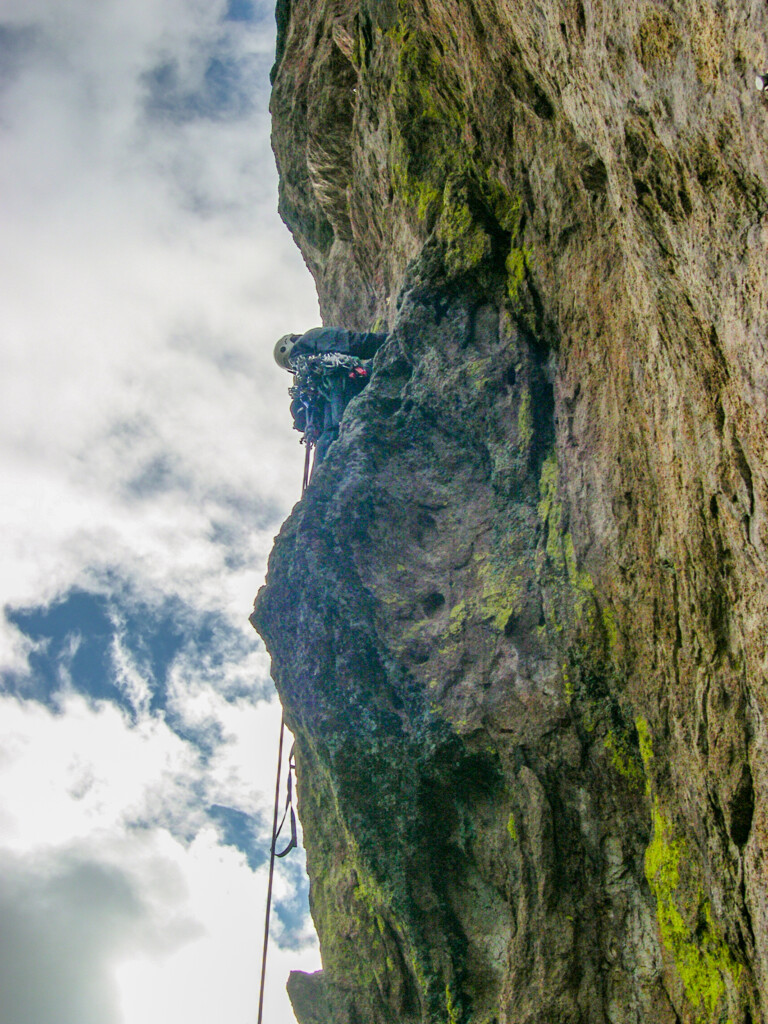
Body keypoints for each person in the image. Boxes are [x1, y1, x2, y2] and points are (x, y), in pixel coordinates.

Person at [274, 327, 388, 475]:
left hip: (332, 409)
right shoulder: (309, 339)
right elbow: (354, 343)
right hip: (345, 386)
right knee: (343, 430)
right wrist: (392, 339)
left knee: (331, 438)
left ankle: (319, 486)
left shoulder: (306, 386)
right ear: (290, 342)